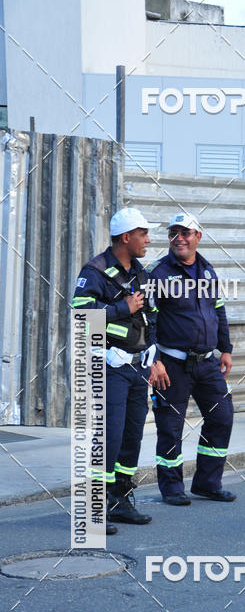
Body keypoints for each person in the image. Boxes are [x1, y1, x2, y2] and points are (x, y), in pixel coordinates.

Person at [71, 207, 169, 532]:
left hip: (137, 369)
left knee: (131, 437)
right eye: (143, 234)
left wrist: (154, 356)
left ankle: (120, 501)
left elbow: (150, 315)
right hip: (108, 367)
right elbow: (79, 315)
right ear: (126, 237)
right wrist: (119, 308)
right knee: (108, 438)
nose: (148, 240)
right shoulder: (95, 271)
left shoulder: (140, 272)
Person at [149, 213, 235, 506]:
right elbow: (147, 320)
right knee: (171, 427)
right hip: (172, 364)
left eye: (185, 233)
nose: (179, 238)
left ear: (198, 236)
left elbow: (218, 310)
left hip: (207, 362)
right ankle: (172, 488)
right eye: (174, 233)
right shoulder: (158, 273)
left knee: (222, 417)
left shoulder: (207, 270)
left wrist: (226, 348)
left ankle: (208, 483)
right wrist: (154, 359)